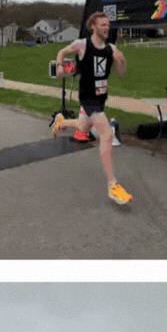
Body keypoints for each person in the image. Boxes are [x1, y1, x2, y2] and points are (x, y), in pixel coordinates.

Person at [50, 12, 131, 204]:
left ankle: (62, 122)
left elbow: (121, 75)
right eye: (103, 25)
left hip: (101, 97)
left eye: (108, 25)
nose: (107, 28)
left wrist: (121, 60)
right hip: (87, 97)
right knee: (105, 133)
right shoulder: (82, 45)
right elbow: (61, 52)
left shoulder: (111, 48)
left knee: (83, 127)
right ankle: (113, 185)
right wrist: (60, 66)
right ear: (93, 25)